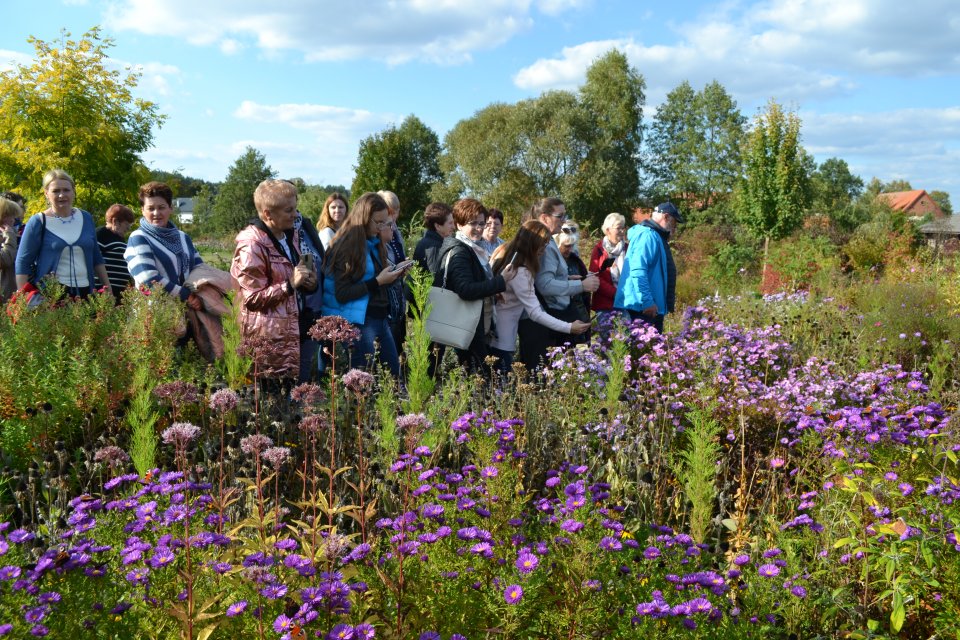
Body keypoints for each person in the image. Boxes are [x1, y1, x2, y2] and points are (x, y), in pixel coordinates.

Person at [231, 179, 318, 381]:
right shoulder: (251, 245)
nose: (295, 215)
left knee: (296, 397)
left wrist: (309, 284)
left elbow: (292, 277)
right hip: (269, 339)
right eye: (289, 210)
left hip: (293, 329)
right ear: (268, 214)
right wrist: (289, 285)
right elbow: (252, 299)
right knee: (274, 399)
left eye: (295, 208)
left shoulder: (289, 235)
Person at [322, 192, 407, 377]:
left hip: (379, 317)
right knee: (361, 381)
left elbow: (376, 282)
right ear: (364, 218)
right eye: (379, 222)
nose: (382, 227)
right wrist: (377, 281)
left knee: (394, 377)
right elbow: (342, 293)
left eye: (386, 222)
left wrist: (394, 275)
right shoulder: (346, 247)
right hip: (358, 322)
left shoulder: (373, 243)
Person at [489, 220, 589, 375]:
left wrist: (567, 278)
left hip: (498, 333)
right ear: (531, 244)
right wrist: (569, 327)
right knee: (499, 384)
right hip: (502, 338)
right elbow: (536, 313)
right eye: (542, 245)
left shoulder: (510, 260)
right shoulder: (521, 272)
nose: (544, 249)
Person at [435, 198, 516, 375]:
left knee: (479, 374)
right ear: (459, 224)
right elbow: (465, 290)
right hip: (466, 325)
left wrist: (492, 291)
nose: (479, 228)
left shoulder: (472, 248)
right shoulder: (460, 251)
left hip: (472, 323)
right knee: (480, 375)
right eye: (473, 223)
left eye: (482, 223)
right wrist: (500, 282)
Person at [518, 197, 598, 371]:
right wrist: (581, 286)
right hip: (541, 320)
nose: (563, 221)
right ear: (545, 218)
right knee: (539, 373)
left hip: (545, 317)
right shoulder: (542, 242)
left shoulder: (546, 239)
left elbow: (543, 278)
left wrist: (567, 279)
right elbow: (544, 285)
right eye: (560, 216)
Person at [15, 169, 109, 299]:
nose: (61, 195)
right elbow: (23, 261)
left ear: (73, 191)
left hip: (86, 292)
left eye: (66, 190)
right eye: (56, 191)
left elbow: (96, 256)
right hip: (51, 293)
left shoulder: (86, 218)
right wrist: (23, 299)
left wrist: (107, 288)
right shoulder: (38, 221)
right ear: (46, 193)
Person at [125, 182, 204, 309]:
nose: (156, 213)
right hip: (156, 317)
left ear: (170, 208)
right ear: (142, 211)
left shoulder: (183, 237)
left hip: (189, 312)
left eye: (161, 207)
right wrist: (186, 296)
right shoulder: (138, 238)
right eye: (151, 208)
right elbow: (147, 279)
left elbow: (199, 267)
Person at [614, 202, 683, 333]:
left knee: (650, 351)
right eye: (675, 222)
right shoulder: (647, 235)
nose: (675, 227)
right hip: (643, 308)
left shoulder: (655, 235)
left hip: (649, 307)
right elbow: (638, 270)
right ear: (666, 217)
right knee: (644, 351)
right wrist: (647, 301)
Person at [377, 190, 407, 357]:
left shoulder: (396, 230)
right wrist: (397, 268)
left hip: (398, 289)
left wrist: (403, 264)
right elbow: (382, 261)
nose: (394, 216)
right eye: (390, 212)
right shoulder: (379, 231)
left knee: (400, 335)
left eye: (396, 211)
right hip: (386, 293)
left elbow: (398, 252)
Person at [589, 212, 627, 329]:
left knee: (626, 338)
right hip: (605, 303)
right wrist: (615, 293)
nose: (622, 231)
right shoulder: (599, 250)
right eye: (618, 228)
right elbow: (595, 276)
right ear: (608, 230)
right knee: (608, 341)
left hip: (625, 302)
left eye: (623, 227)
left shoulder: (628, 248)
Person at [555, 231, 591, 346]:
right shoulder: (550, 262)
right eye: (566, 246)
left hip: (579, 312)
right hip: (560, 315)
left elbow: (585, 294)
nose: (570, 249)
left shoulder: (576, 261)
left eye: (572, 246)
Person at [96, 204, 135, 301]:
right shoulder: (100, 235)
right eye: (126, 224)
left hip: (119, 293)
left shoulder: (119, 237)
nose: (128, 228)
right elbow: (94, 260)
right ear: (115, 221)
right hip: (104, 294)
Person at [413, 202, 454, 275]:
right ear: (438, 226)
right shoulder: (434, 248)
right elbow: (435, 279)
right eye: (450, 223)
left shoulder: (426, 241)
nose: (453, 227)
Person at [0, 197, 22, 301]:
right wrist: (9, 236)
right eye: (10, 215)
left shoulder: (13, 234)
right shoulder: (9, 235)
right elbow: (4, 260)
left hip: (12, 294)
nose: (13, 220)